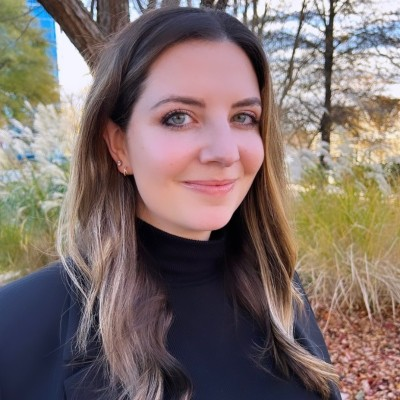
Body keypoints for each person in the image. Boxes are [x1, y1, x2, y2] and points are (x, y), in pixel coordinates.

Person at [0, 7, 341, 400]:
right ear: (118, 144)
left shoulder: (280, 289)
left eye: (244, 117)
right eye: (179, 117)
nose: (225, 152)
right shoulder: (17, 325)